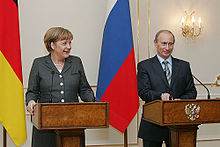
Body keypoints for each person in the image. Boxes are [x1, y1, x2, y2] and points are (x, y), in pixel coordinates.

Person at [26, 27, 96, 147]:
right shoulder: (39, 64)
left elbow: (84, 89)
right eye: (64, 43)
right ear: (52, 45)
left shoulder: (76, 62)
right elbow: (32, 91)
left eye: (70, 42)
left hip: (73, 124)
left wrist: (93, 103)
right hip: (45, 124)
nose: (69, 46)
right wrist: (31, 102)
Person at [137, 30, 197, 147]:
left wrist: (180, 100)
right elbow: (143, 92)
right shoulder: (144, 66)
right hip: (153, 124)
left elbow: (192, 92)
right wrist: (160, 96)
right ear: (155, 43)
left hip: (178, 125)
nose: (167, 47)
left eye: (171, 44)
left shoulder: (184, 66)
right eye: (164, 43)